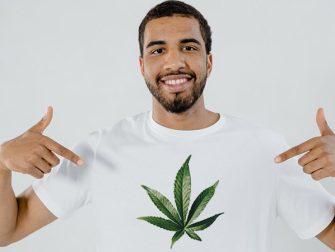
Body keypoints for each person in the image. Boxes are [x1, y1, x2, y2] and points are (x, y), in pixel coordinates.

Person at [0, 1, 334, 251]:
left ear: (209, 61)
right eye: (158, 50)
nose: (174, 61)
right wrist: (1, 163)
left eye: (189, 47)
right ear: (142, 66)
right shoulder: (101, 150)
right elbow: (7, 230)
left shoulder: (266, 150)